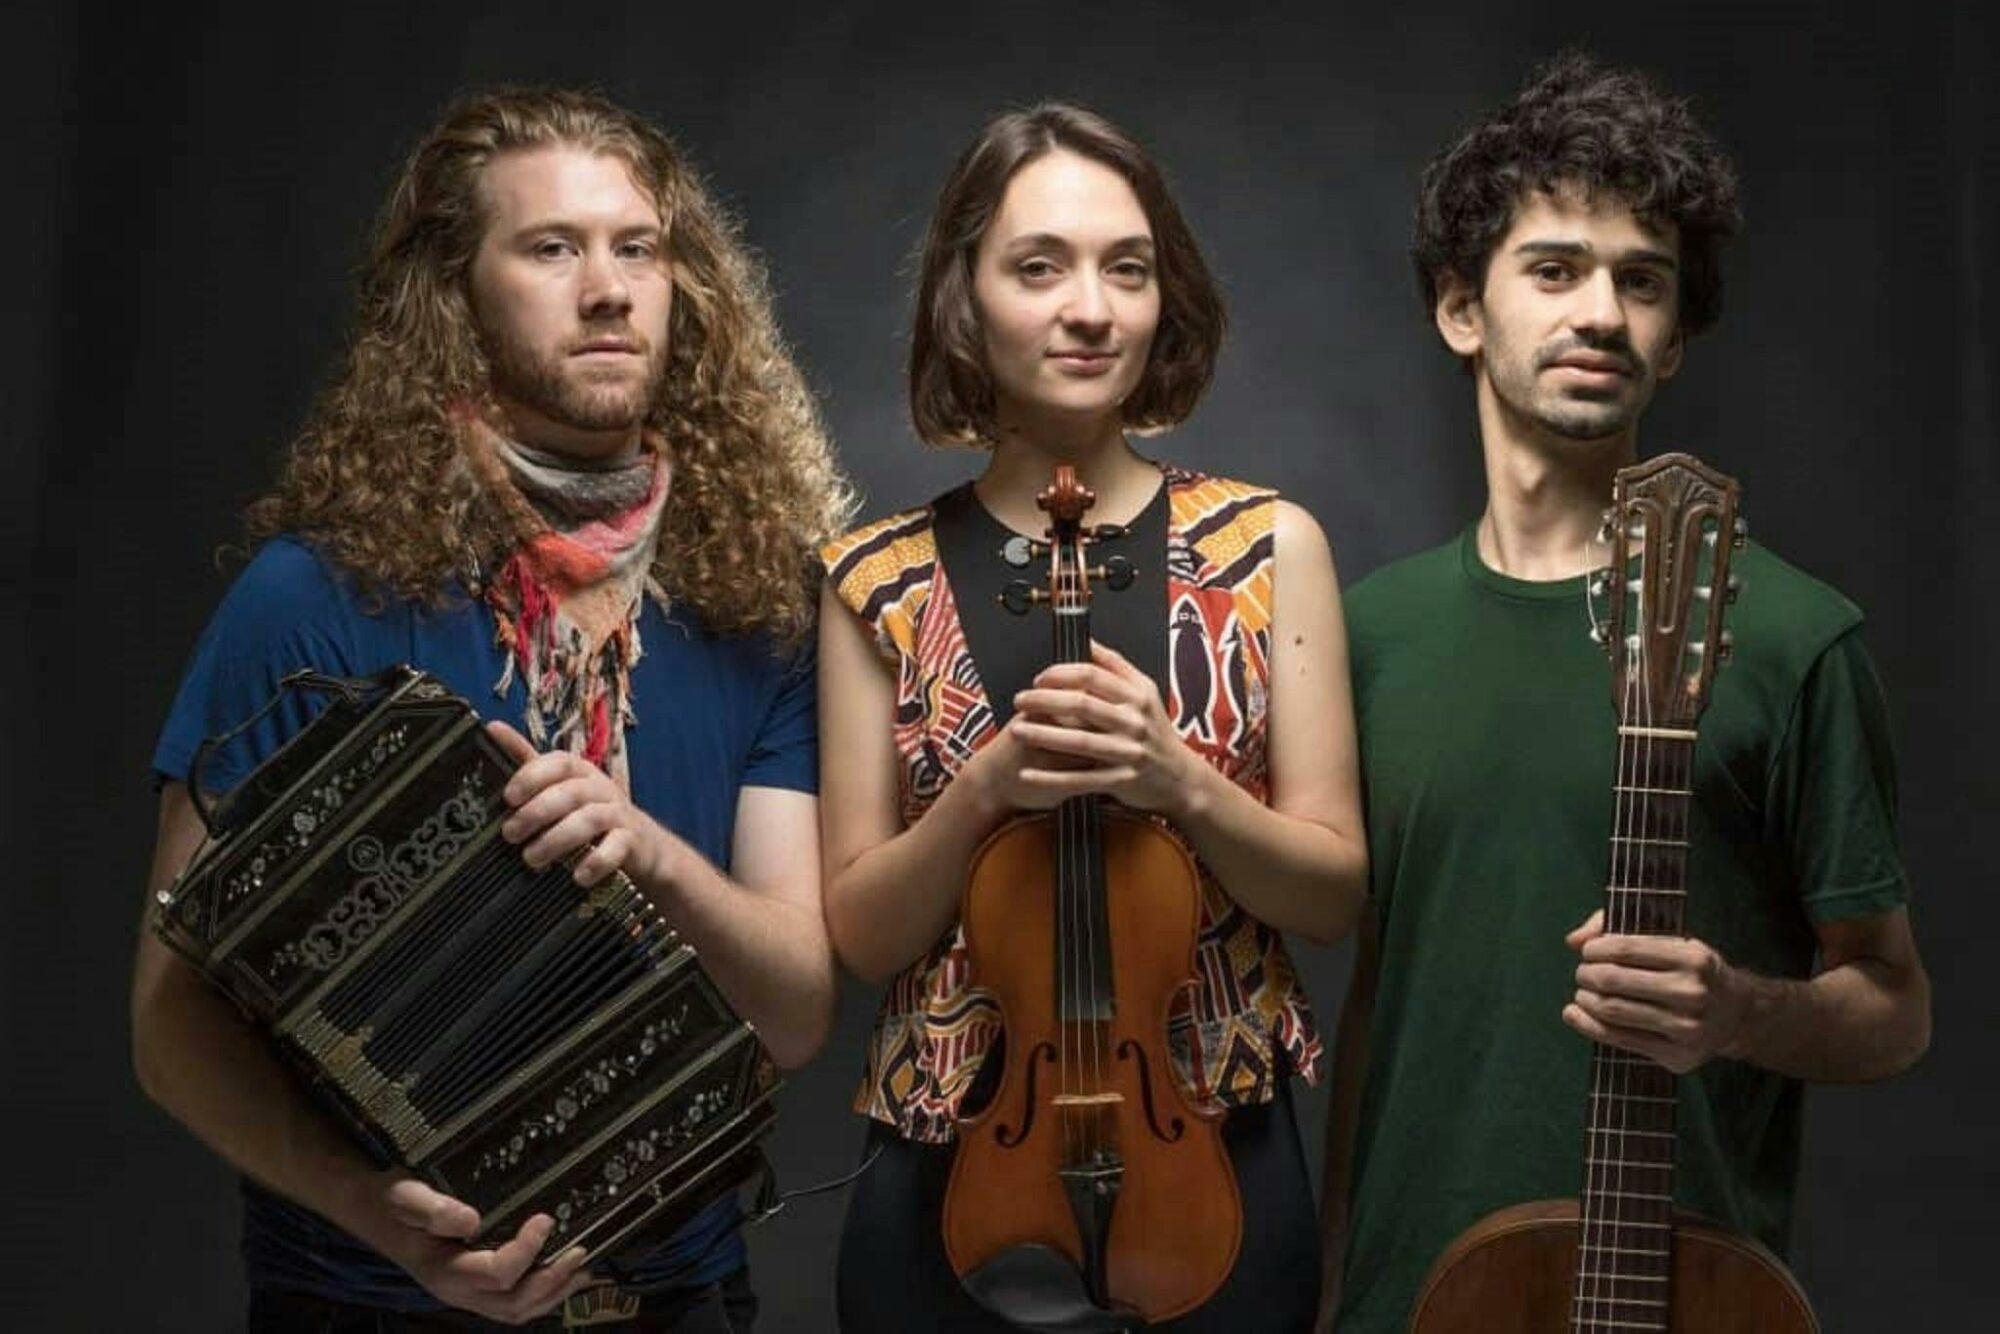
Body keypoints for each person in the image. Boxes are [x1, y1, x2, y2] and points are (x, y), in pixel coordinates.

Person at [131, 87, 853, 1332]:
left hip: (680, 1297)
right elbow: (168, 1022)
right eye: (550, 247)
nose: (610, 287)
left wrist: (649, 854)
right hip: (371, 1300)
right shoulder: (309, 594)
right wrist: (379, 1221)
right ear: (453, 296)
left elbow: (791, 1015)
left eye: (639, 247)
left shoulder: (758, 601)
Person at [1316, 53, 1933, 1332]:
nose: (1599, 311)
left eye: (1639, 281)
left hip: (1675, 1294)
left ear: (1673, 336)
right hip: (1408, 1293)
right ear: (1459, 310)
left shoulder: (1794, 636)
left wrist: (1740, 1009)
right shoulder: (1364, 631)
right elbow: (1380, 988)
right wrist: (1334, 1278)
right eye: (1552, 269)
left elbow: (1891, 1006)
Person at [818, 102, 1369, 1332]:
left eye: (1127, 268)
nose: (1090, 307)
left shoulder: (1268, 548)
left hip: (1211, 1144)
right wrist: (980, 791)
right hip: (952, 1150)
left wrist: (1185, 784)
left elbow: (1328, 895)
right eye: (1038, 267)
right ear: (966, 298)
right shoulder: (873, 577)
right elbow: (862, 931)